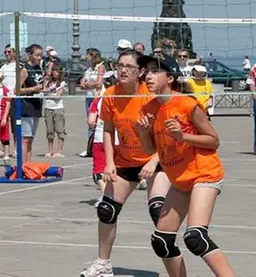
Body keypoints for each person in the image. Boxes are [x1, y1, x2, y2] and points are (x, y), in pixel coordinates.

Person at [134, 55, 234, 277]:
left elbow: (214, 141)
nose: (148, 76)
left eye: (154, 71)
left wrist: (183, 136)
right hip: (180, 178)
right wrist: (142, 132)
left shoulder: (187, 104)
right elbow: (151, 150)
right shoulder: (148, 108)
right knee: (162, 240)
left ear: (169, 78)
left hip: (204, 173)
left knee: (195, 237)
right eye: (146, 71)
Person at [80, 49, 172, 277]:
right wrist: (109, 163)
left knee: (157, 210)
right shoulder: (111, 94)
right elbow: (108, 131)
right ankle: (103, 265)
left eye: (129, 66)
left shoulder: (150, 94)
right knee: (106, 209)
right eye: (120, 65)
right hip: (126, 160)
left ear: (140, 71)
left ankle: (174, 267)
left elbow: (166, 136)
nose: (122, 70)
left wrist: (152, 161)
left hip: (157, 161)